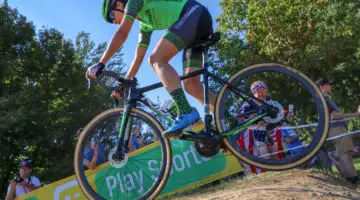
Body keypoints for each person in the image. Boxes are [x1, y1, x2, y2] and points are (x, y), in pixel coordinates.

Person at [86, 0, 217, 136]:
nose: (113, 22)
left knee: (156, 59)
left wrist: (101, 63)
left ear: (118, 4)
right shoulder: (145, 25)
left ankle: (185, 111)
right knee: (191, 86)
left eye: (111, 17)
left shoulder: (134, 2)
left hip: (193, 14)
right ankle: (229, 122)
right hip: (196, 23)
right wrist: (125, 83)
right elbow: (138, 57)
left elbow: (123, 33)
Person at [316, 78, 360, 184]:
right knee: (345, 154)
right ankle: (354, 181)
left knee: (344, 154)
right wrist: (357, 114)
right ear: (321, 87)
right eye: (328, 84)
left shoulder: (325, 99)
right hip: (336, 129)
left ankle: (349, 181)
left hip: (337, 128)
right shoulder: (324, 100)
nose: (331, 86)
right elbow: (336, 116)